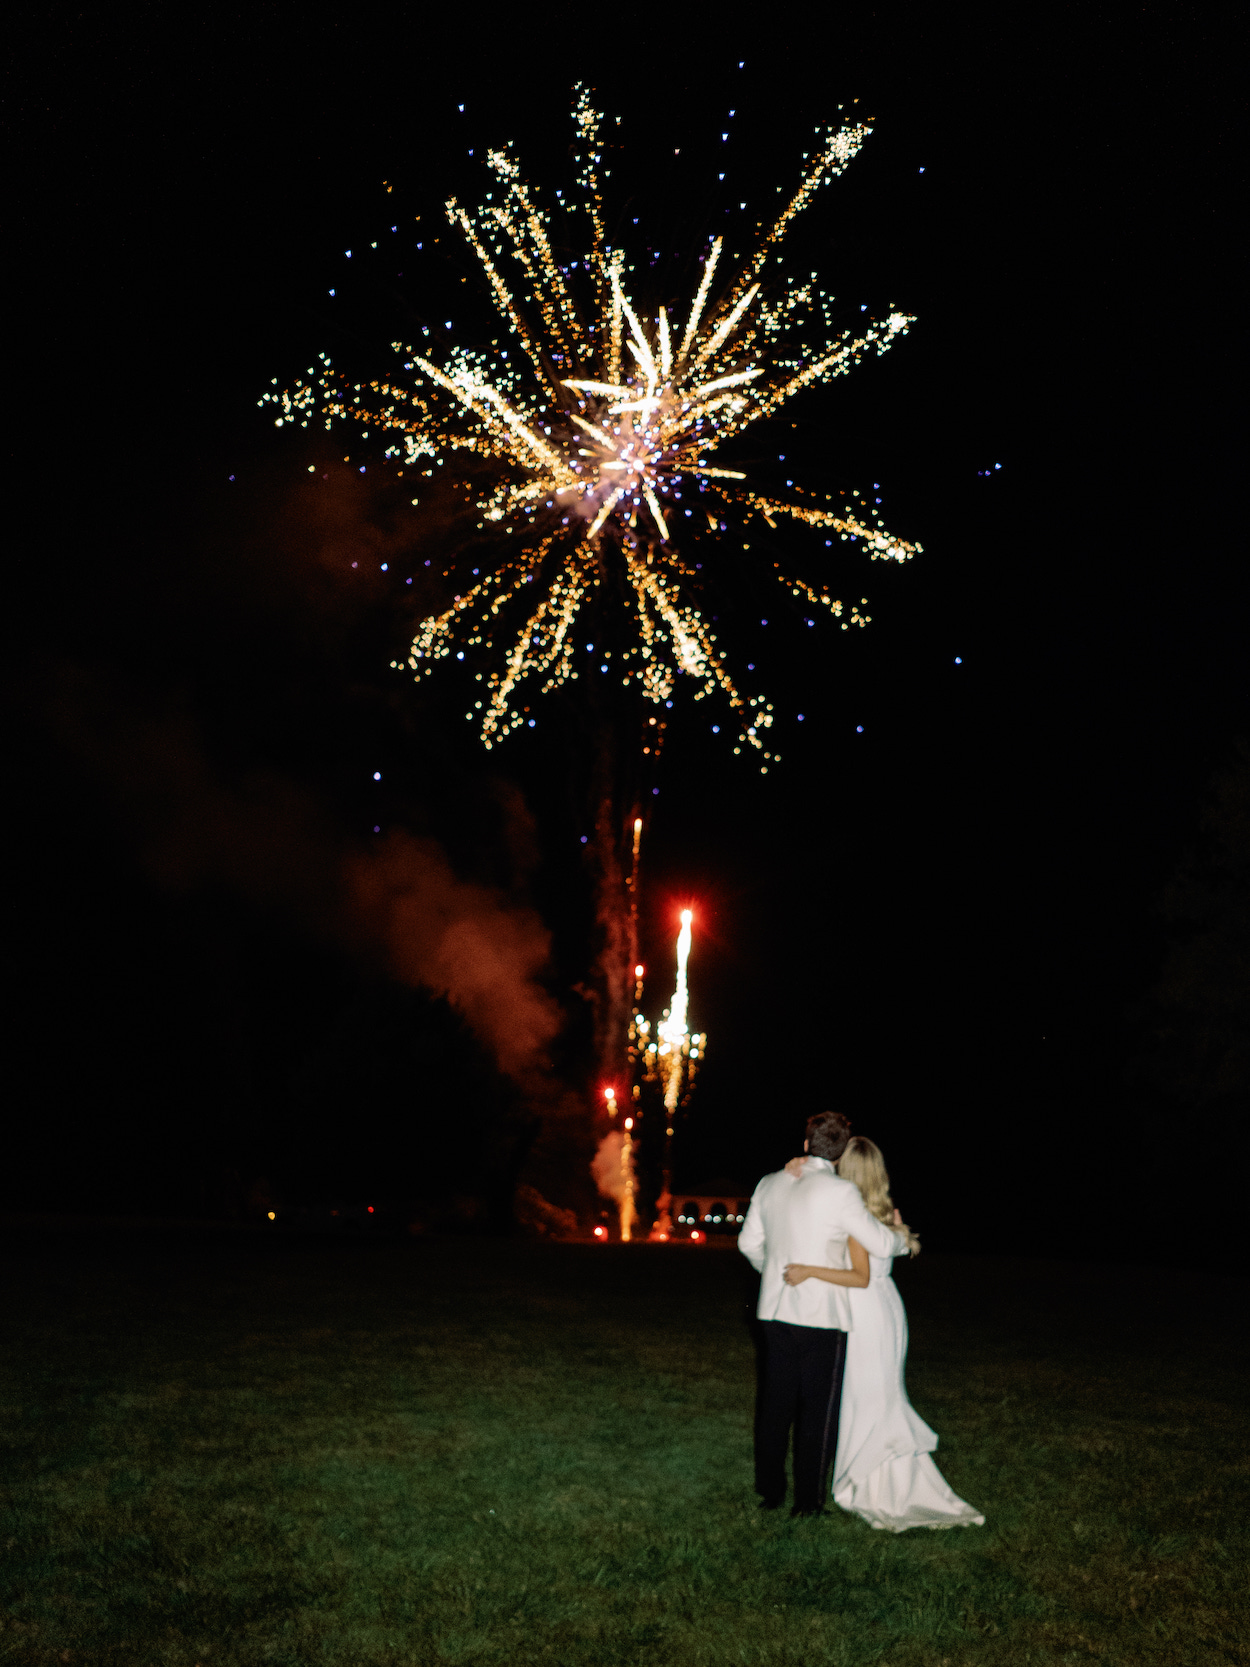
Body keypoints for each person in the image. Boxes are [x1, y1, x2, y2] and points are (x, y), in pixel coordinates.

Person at [783, 1136, 985, 1533]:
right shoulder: (883, 1211)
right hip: (888, 1308)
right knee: (881, 1395)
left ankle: (873, 1486)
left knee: (866, 1399)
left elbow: (858, 1277)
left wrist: (808, 1269)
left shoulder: (854, 1215)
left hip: (864, 1313)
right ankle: (884, 1477)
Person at [737, 1111, 910, 1516]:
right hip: (822, 1318)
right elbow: (880, 1246)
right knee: (817, 1410)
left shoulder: (770, 1183)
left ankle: (770, 1491)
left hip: (775, 1311)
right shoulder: (841, 1193)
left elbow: (748, 1245)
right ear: (840, 1153)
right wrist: (899, 1238)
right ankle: (808, 1503)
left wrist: (775, 1273)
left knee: (776, 1404)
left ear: (805, 1145)